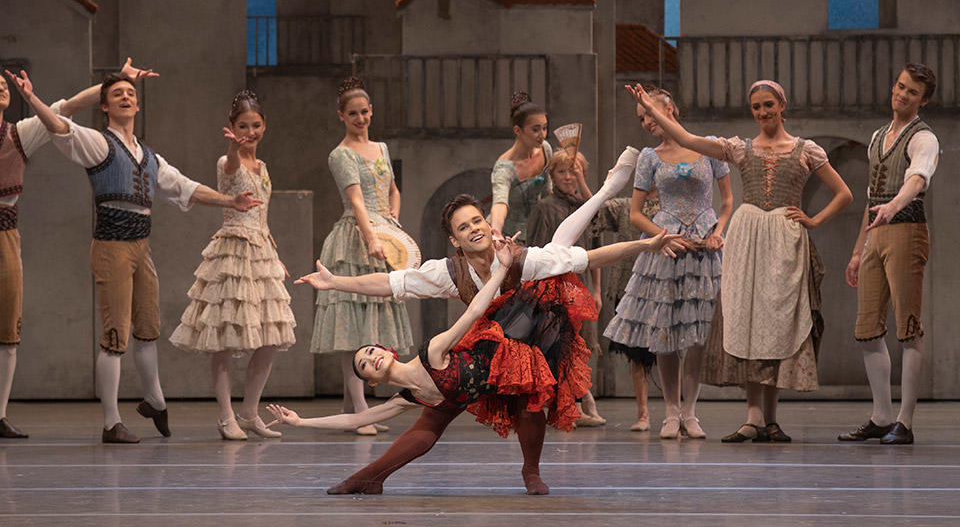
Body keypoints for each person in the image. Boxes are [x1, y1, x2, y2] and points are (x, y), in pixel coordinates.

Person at [278, 155, 684, 495]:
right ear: (454, 240)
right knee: (430, 422)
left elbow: (592, 259)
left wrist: (645, 245)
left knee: (532, 382)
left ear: (488, 225)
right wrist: (335, 282)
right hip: (474, 358)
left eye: (477, 221)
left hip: (527, 332)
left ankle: (531, 470)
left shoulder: (524, 260)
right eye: (463, 227)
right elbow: (390, 282)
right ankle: (368, 478)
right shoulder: (447, 272)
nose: (473, 229)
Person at [42, 72, 262, 443]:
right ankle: (111, 422)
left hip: (141, 248)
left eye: (131, 92)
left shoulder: (149, 156)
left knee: (148, 329)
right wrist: (32, 100)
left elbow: (186, 187)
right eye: (117, 94)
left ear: (139, 104)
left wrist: (230, 201)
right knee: (115, 335)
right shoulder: (99, 144)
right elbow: (58, 123)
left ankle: (155, 400)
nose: (127, 97)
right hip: (111, 246)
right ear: (105, 105)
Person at [631, 80, 852, 443]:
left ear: (782, 104)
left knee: (779, 321)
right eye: (756, 107)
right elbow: (687, 140)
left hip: (783, 237)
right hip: (748, 238)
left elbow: (844, 193)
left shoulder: (805, 149)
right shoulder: (740, 148)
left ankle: (771, 418)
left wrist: (814, 220)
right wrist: (653, 110)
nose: (762, 112)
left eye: (768, 105)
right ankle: (752, 418)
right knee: (749, 319)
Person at [0, 60, 151, 438]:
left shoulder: (17, 135)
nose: (1, 87)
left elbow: (63, 110)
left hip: (5, 232)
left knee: (8, 328)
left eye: (0, 84)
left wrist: (116, 79)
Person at [604, 88, 733, 439]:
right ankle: (671, 412)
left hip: (704, 246)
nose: (646, 122)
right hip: (667, 247)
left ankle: (690, 412)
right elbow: (633, 213)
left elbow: (726, 202)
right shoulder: (649, 157)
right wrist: (660, 236)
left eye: (649, 113)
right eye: (641, 117)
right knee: (665, 331)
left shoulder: (708, 148)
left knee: (696, 334)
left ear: (670, 109)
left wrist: (719, 232)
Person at [169, 90, 296, 440]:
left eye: (255, 125)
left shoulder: (265, 167)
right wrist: (231, 147)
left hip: (261, 254)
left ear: (264, 125)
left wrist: (275, 256)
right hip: (233, 252)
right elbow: (231, 167)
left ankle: (249, 411)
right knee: (224, 336)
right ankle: (226, 417)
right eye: (243, 126)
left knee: (271, 336)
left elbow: (263, 216)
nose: (250, 132)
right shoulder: (227, 162)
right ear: (231, 127)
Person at [839, 64, 938, 446]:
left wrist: (894, 206)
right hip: (876, 233)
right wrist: (856, 250)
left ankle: (905, 421)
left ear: (923, 100)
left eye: (911, 92)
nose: (902, 95)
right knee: (867, 329)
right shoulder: (879, 136)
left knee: (908, 326)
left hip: (907, 230)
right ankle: (881, 415)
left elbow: (917, 178)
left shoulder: (923, 137)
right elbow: (869, 198)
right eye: (900, 86)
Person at [310, 78, 414, 436]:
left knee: (372, 321)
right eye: (352, 113)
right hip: (355, 238)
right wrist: (371, 236)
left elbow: (393, 190)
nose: (360, 118)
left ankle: (350, 407)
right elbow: (356, 200)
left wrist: (393, 224)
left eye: (364, 112)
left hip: (385, 233)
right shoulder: (341, 154)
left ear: (371, 112)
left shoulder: (382, 148)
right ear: (342, 116)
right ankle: (360, 410)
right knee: (353, 325)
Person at [526, 149, 605, 426]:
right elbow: (535, 250)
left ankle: (580, 400)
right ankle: (573, 404)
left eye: (575, 171)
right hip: (554, 286)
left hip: (579, 284)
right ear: (552, 176)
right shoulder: (545, 207)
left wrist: (596, 289)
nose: (569, 177)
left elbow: (595, 249)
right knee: (560, 345)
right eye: (562, 171)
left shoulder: (585, 207)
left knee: (578, 344)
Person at [592, 196, 656, 431]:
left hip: (663, 282)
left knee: (672, 351)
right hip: (632, 284)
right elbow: (596, 212)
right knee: (637, 352)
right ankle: (643, 413)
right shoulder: (626, 206)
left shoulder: (673, 205)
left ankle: (679, 413)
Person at [490, 91, 552, 244]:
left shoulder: (545, 149)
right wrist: (496, 232)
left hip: (537, 230)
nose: (542, 134)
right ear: (518, 130)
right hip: (509, 236)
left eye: (544, 128)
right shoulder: (505, 167)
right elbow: (499, 203)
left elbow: (547, 192)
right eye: (535, 129)